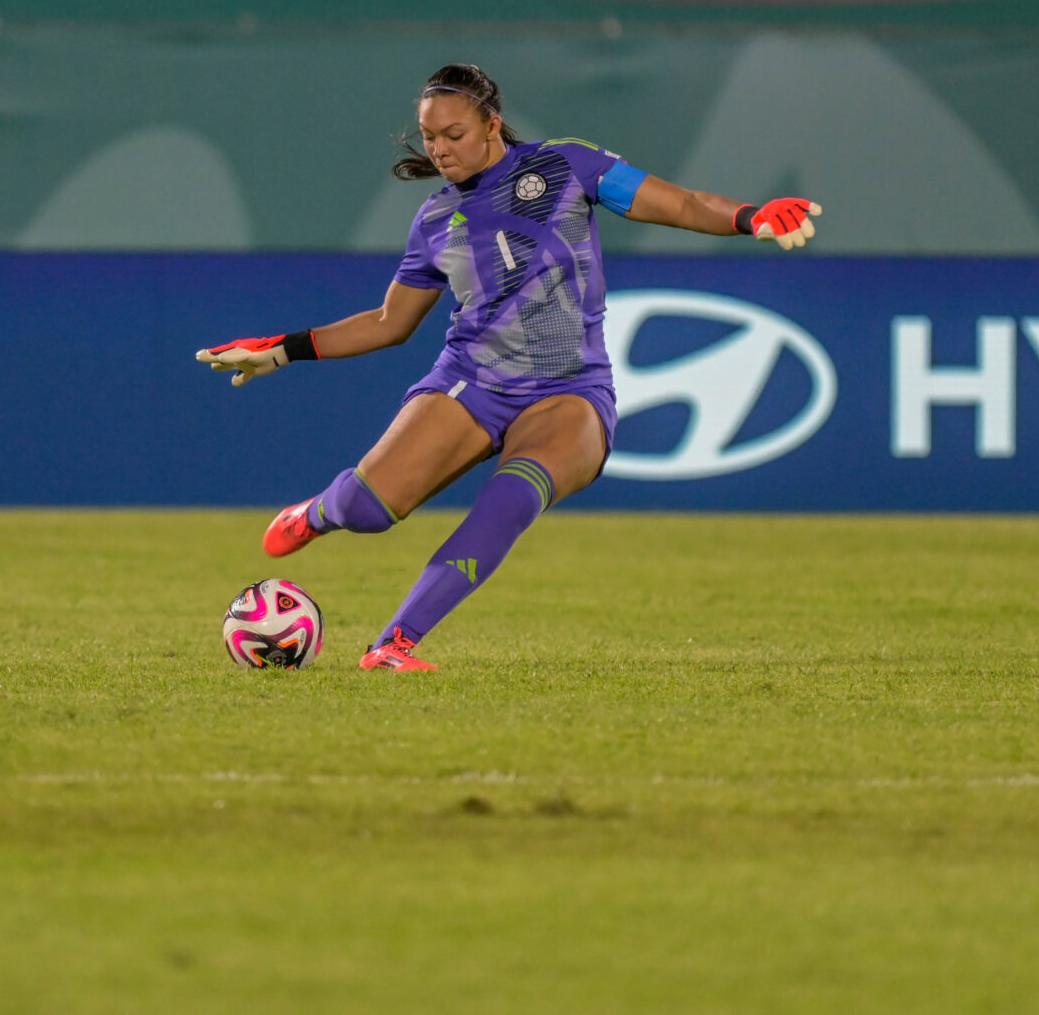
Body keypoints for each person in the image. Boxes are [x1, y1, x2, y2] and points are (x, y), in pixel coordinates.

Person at [196, 62, 821, 672]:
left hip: (571, 389)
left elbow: (680, 204)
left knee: (508, 501)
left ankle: (392, 646)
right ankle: (318, 512)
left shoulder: (566, 164)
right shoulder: (436, 221)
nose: (439, 149)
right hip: (471, 381)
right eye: (429, 137)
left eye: (454, 134)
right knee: (369, 512)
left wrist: (751, 217)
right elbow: (391, 324)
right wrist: (282, 347)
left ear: (493, 124)